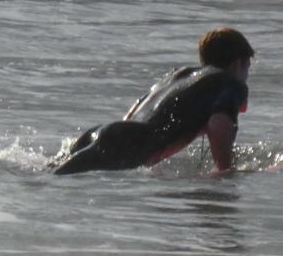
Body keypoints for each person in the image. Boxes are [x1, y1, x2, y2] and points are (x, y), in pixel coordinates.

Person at [51, 27, 254, 176]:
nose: (246, 75)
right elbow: (219, 125)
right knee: (53, 183)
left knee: (51, 174)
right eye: (248, 68)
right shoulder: (230, 82)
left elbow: (139, 105)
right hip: (127, 145)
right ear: (238, 63)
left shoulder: (179, 75)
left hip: (106, 132)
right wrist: (225, 170)